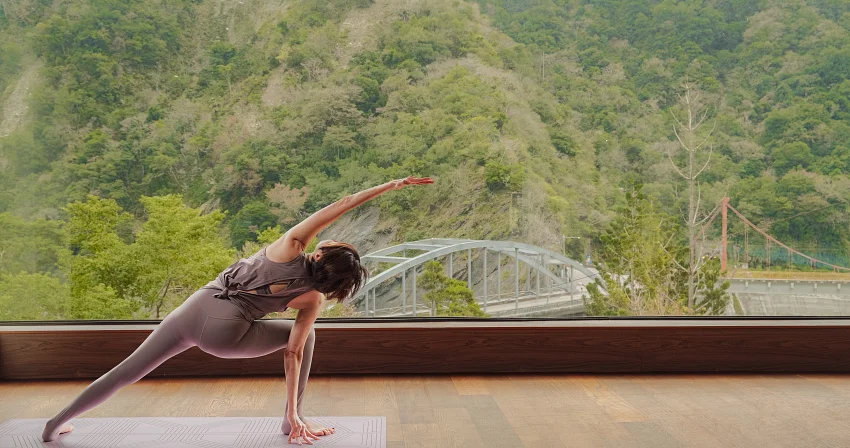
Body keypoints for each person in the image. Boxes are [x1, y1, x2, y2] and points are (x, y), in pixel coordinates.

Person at [42, 176, 434, 445]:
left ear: (320, 253)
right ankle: (291, 420)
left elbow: (342, 205)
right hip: (227, 336)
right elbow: (293, 354)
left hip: (194, 308)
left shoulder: (291, 245)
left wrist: (391, 185)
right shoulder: (312, 299)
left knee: (126, 371)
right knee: (305, 336)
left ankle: (54, 425)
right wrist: (293, 410)